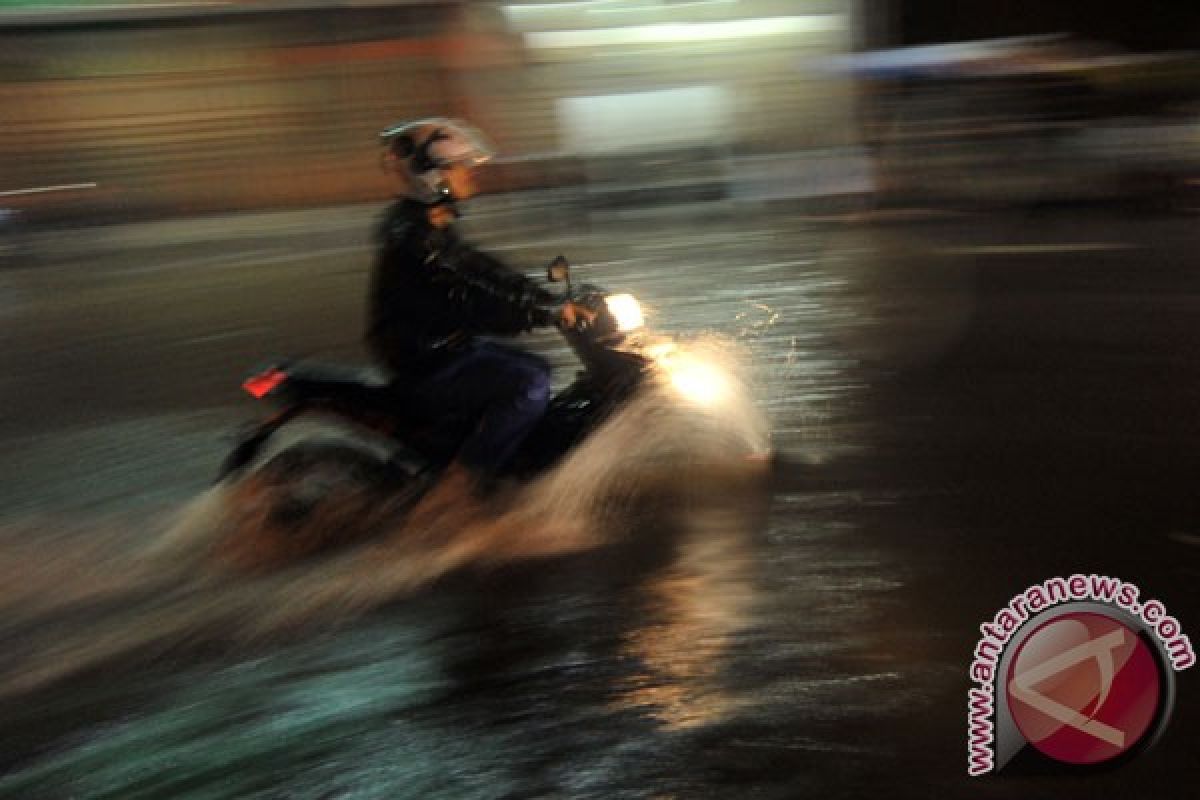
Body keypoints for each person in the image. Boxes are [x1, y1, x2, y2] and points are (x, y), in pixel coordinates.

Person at [366, 117, 589, 520]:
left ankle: (516, 467)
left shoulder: (428, 225)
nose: (473, 177)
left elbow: (483, 271)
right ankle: (460, 488)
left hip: (438, 345)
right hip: (425, 357)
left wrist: (543, 296)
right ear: (433, 176)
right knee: (528, 384)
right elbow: (467, 292)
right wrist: (541, 312)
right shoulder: (413, 238)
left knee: (536, 365)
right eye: (463, 168)